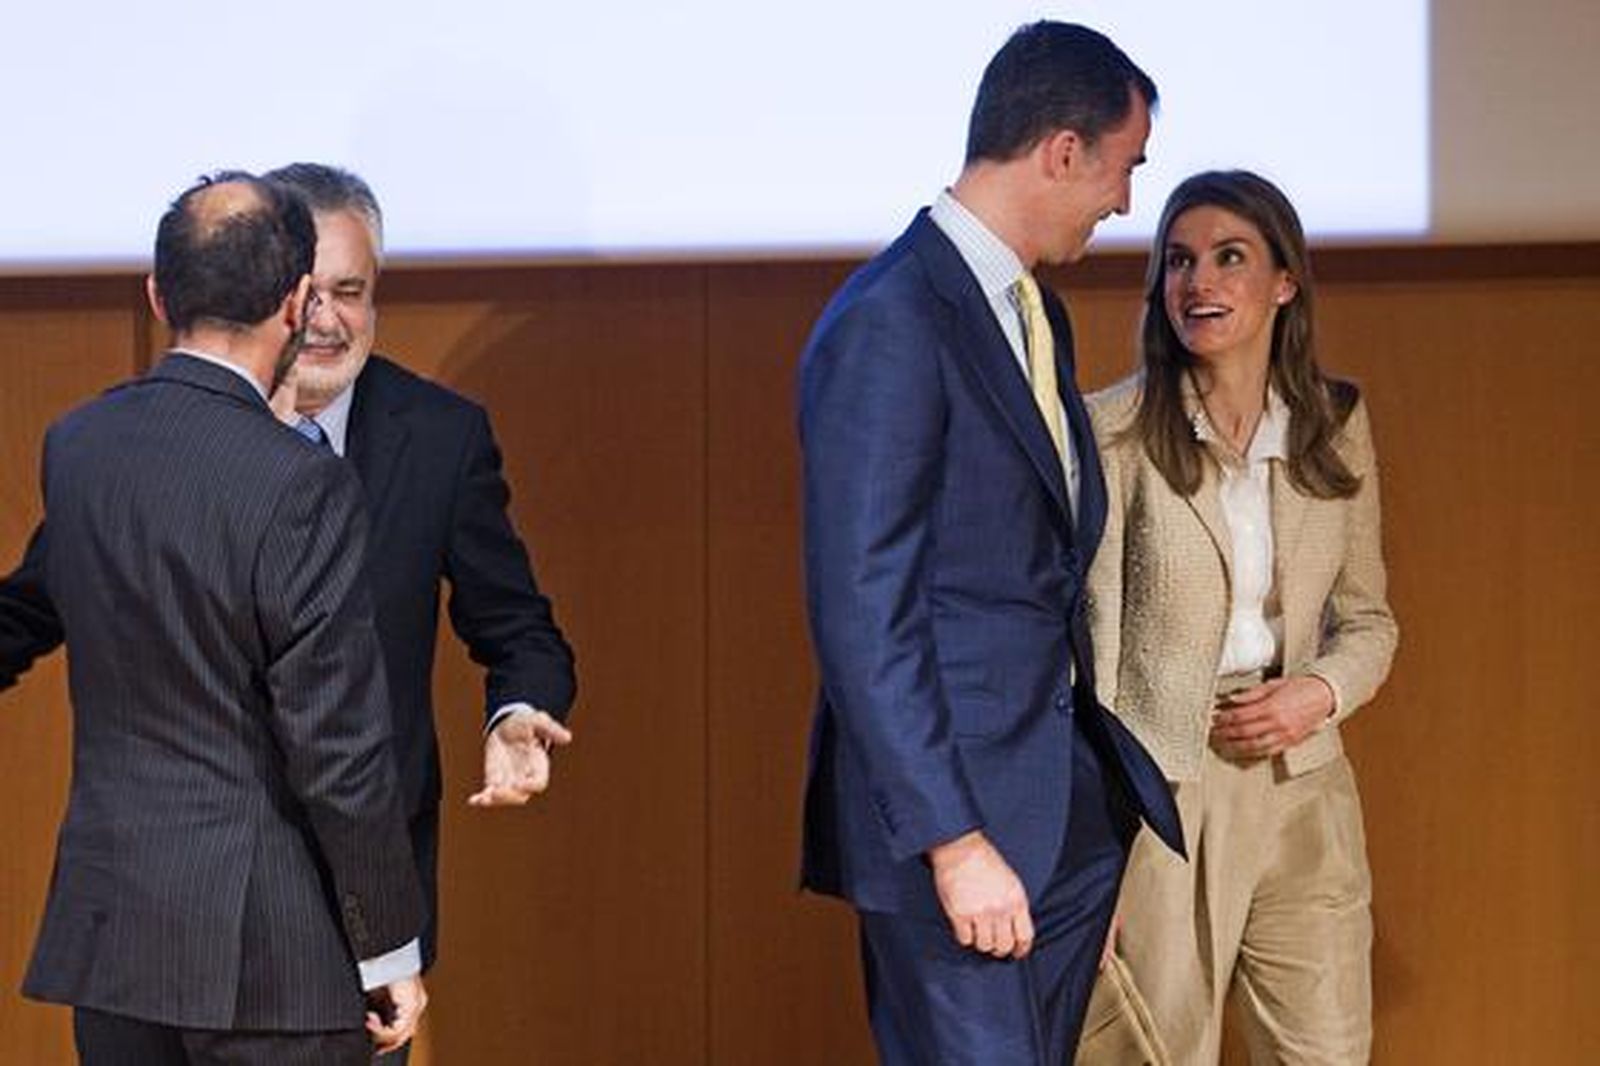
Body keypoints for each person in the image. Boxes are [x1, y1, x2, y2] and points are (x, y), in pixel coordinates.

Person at [0, 163, 578, 1019]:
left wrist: (518, 712)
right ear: (280, 292)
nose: (329, 318)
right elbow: (33, 605)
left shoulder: (441, 437)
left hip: (353, 908)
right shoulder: (137, 448)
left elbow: (518, 625)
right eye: (316, 291)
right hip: (155, 922)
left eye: (355, 291)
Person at [797, 22, 1184, 1064]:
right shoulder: (892, 318)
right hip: (954, 830)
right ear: (1063, 149)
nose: (1123, 204)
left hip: (1053, 821)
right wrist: (956, 842)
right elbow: (861, 610)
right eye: (1123, 167)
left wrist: (1075, 830)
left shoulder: (1030, 312)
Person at [19, 172, 428, 1064]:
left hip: (117, 940)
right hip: (270, 962)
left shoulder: (79, 449)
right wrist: (390, 946)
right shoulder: (301, 482)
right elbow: (340, 753)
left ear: (159, 294)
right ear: (295, 302)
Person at [1080, 170, 1399, 1064]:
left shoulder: (1333, 423)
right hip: (1163, 798)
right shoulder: (1114, 434)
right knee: (1156, 1052)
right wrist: (1091, 864)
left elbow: (1371, 620)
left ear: (1283, 282)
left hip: (1303, 783)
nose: (1200, 283)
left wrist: (1320, 694)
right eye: (1179, 261)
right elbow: (1092, 662)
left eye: (1229, 258)